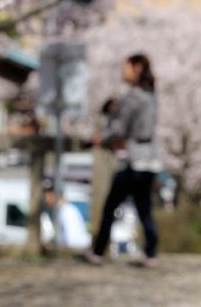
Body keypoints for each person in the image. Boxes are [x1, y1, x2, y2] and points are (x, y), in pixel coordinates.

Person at [85, 53, 161, 267]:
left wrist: (101, 138)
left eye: (126, 67)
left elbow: (119, 128)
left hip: (133, 159)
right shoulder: (151, 96)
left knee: (111, 206)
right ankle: (151, 252)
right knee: (144, 207)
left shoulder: (133, 97)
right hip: (151, 158)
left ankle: (98, 250)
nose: (123, 72)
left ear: (137, 69)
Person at [40, 180, 91, 251]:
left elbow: (72, 240)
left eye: (48, 194)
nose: (46, 199)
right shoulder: (60, 210)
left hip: (78, 251)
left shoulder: (67, 211)